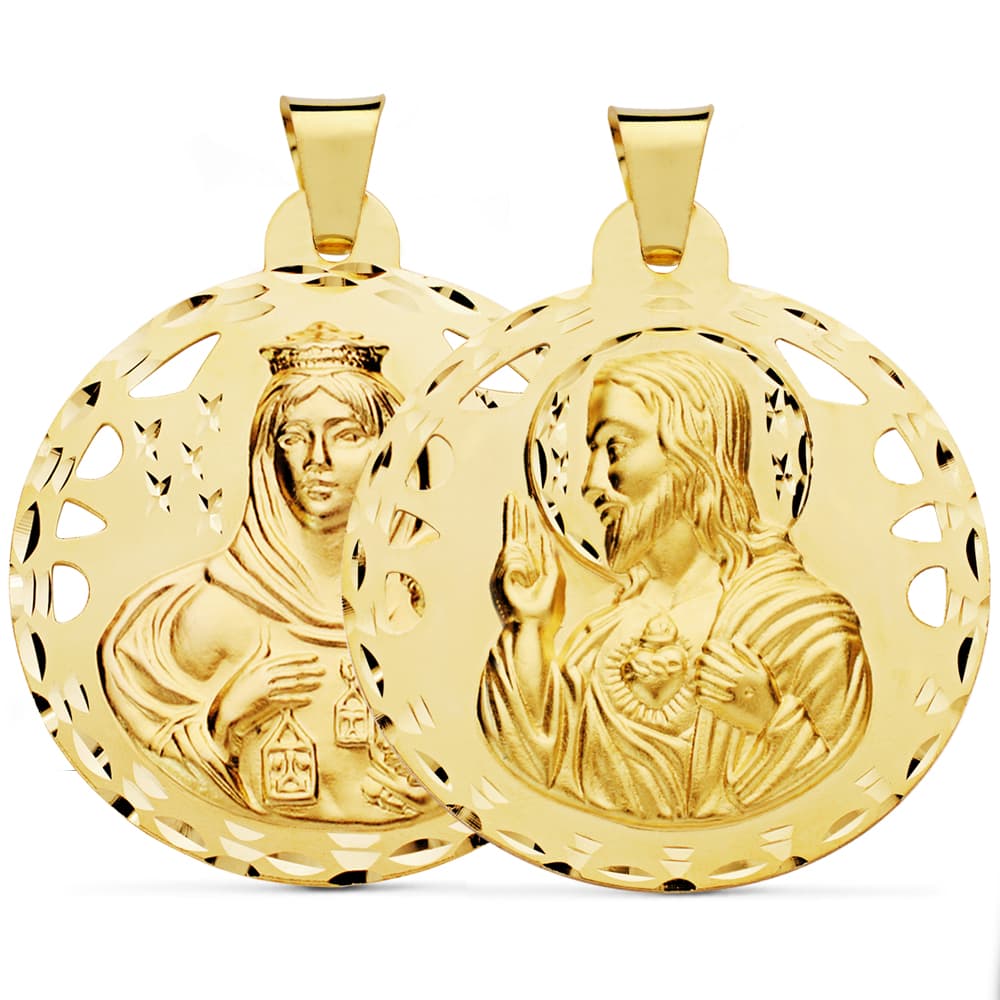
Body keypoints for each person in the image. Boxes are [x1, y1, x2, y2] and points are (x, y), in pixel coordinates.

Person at [479, 350, 871, 821]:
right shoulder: (599, 637)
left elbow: (835, 794)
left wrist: (771, 720)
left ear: (693, 450)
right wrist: (529, 626)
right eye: (591, 452)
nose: (590, 483)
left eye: (615, 448)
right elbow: (534, 776)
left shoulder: (802, 627)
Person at [100, 322, 429, 823]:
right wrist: (226, 716)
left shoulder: (439, 605)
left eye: (347, 435)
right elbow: (160, 752)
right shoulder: (204, 615)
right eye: (295, 437)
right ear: (266, 455)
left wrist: (450, 796)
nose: (318, 460)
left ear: (390, 452)